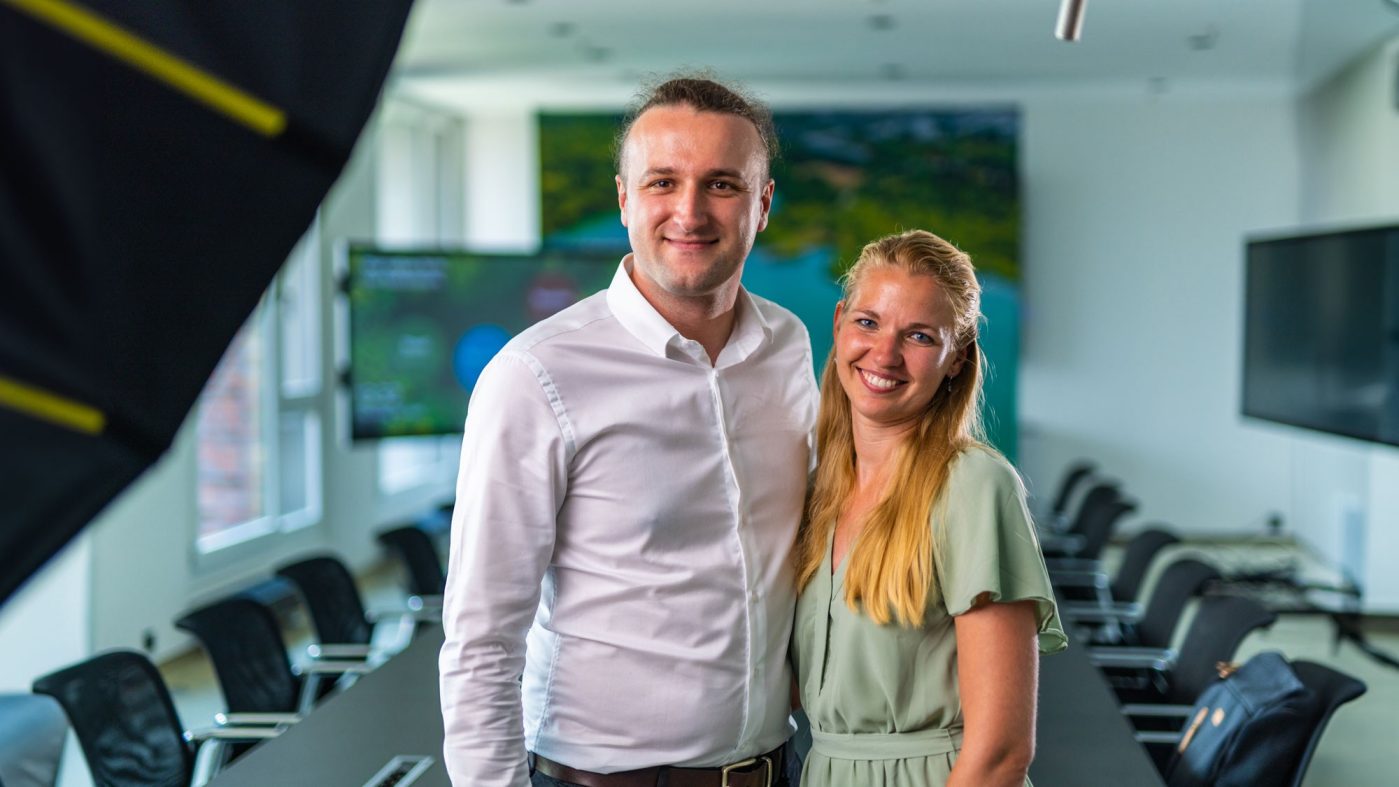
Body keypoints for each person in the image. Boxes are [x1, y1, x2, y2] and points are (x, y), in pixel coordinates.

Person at [439, 74, 818, 787]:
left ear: (763, 204)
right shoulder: (535, 374)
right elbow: (481, 640)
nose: (689, 210)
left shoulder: (788, 346)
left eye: (723, 185)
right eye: (662, 182)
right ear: (623, 198)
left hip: (776, 770)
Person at [790, 229, 1067, 787]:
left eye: (918, 336)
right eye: (868, 322)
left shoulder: (973, 485)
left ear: (956, 360)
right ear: (840, 323)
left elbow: (1001, 753)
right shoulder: (817, 490)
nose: (884, 354)